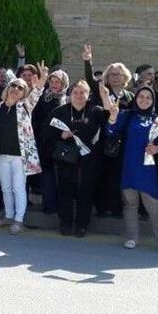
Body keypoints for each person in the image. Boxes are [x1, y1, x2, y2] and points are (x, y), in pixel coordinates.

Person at [103, 85, 158, 254]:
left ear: (153, 101)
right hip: (128, 168)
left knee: (155, 208)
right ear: (136, 98)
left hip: (148, 171)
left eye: (148, 97)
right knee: (130, 206)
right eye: (141, 96)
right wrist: (112, 118)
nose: (144, 100)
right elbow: (110, 132)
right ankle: (132, 237)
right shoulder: (126, 115)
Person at [0, 62, 47, 235]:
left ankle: (18, 220)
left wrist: (42, 79)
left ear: (24, 93)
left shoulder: (24, 107)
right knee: (5, 188)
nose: (16, 89)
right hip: (0, 154)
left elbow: (37, 93)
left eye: (20, 88)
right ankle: (8, 216)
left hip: (19, 156)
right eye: (13, 85)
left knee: (19, 187)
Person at [45, 80, 105, 237]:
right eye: (75, 92)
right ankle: (65, 223)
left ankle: (82, 225)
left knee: (85, 194)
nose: (79, 96)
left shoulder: (96, 111)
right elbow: (46, 133)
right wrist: (60, 135)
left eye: (82, 92)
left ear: (88, 95)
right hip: (65, 160)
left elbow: (108, 129)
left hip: (89, 161)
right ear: (70, 94)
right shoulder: (59, 111)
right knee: (65, 193)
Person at [83, 44, 134, 218]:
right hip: (103, 139)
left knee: (118, 175)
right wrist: (88, 62)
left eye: (118, 74)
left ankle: (117, 207)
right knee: (102, 174)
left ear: (124, 76)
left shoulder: (130, 96)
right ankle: (102, 207)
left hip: (122, 141)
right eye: (111, 74)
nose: (115, 77)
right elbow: (90, 81)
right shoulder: (102, 91)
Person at [32, 69, 69, 214]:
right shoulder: (43, 97)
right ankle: (49, 206)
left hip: (60, 143)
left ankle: (61, 205)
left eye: (57, 82)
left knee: (60, 176)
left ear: (63, 83)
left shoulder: (66, 100)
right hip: (43, 142)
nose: (54, 84)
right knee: (46, 175)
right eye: (52, 81)